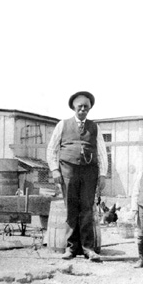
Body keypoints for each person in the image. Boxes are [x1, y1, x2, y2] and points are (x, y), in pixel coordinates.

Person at [46, 91, 108, 262]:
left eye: (86, 106)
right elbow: (52, 149)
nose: (82, 109)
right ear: (73, 107)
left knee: (87, 209)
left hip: (89, 173)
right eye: (79, 106)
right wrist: (54, 170)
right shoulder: (62, 125)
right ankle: (71, 248)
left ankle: (89, 249)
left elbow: (102, 152)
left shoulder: (95, 127)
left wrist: (102, 175)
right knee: (71, 209)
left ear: (89, 108)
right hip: (68, 172)